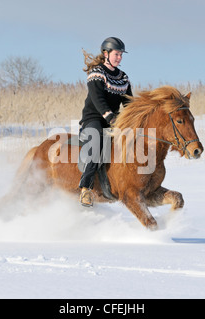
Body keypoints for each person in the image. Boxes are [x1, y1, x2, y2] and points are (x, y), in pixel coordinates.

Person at [78, 37, 133, 207]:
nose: (119, 58)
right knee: (97, 141)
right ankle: (85, 188)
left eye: (121, 55)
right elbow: (98, 99)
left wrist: (135, 119)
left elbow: (129, 102)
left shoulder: (123, 77)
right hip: (93, 119)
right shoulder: (97, 73)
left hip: (113, 122)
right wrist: (111, 117)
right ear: (106, 53)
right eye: (117, 54)